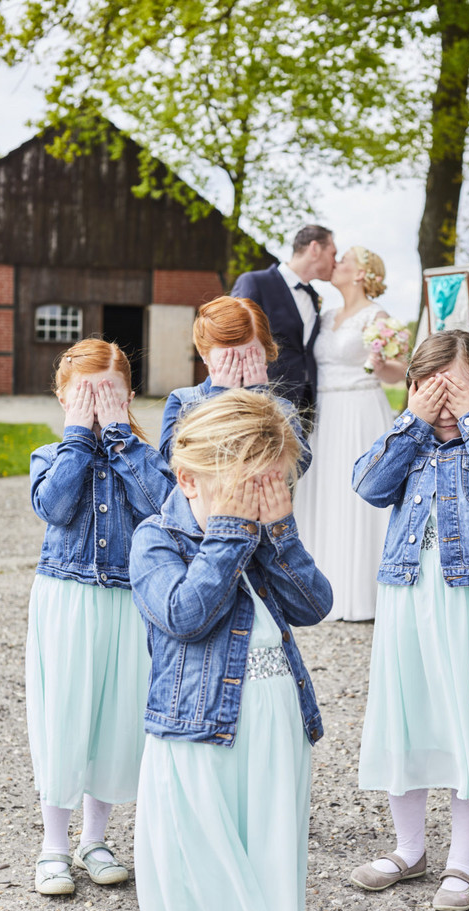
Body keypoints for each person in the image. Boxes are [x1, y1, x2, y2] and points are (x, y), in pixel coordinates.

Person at [130, 390, 332, 911]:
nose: (259, 497)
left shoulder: (258, 532)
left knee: (257, 864)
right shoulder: (156, 539)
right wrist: (229, 535)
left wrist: (280, 533)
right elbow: (184, 614)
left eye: (271, 482)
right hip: (196, 740)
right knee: (195, 874)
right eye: (248, 484)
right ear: (189, 480)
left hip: (272, 735)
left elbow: (314, 605)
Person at [349, 330, 469, 911]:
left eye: (454, 390)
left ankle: (462, 860)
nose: (444, 404)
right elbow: (367, 485)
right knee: (406, 713)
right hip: (408, 593)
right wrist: (411, 422)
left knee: (466, 718)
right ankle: (409, 848)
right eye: (431, 391)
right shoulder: (411, 443)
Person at [26, 339, 175, 897]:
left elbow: (162, 504)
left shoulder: (143, 454)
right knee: (65, 712)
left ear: (129, 396)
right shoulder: (51, 454)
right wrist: (78, 436)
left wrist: (117, 436)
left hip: (124, 598)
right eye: (84, 397)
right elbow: (56, 506)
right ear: (64, 397)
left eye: (108, 396)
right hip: (67, 596)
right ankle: (54, 845)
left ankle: (95, 837)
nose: (96, 407)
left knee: (114, 714)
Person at [294, 246, 407, 621]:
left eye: (344, 261)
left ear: (361, 273)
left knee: (357, 494)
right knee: (325, 491)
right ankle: (323, 590)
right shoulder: (325, 316)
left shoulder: (379, 316)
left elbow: (399, 372)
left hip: (360, 410)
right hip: (325, 414)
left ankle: (362, 593)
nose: (336, 263)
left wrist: (379, 364)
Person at [159, 294, 311, 478]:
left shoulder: (282, 408)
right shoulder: (183, 401)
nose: (239, 366)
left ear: (267, 352)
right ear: (204, 354)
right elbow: (171, 463)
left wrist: (259, 403)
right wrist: (218, 398)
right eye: (228, 358)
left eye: (250, 356)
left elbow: (297, 466)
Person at [230, 225, 337, 418]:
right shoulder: (255, 283)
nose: (335, 262)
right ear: (314, 248)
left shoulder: (313, 296)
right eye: (333, 253)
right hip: (262, 401)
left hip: (305, 407)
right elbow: (234, 339)